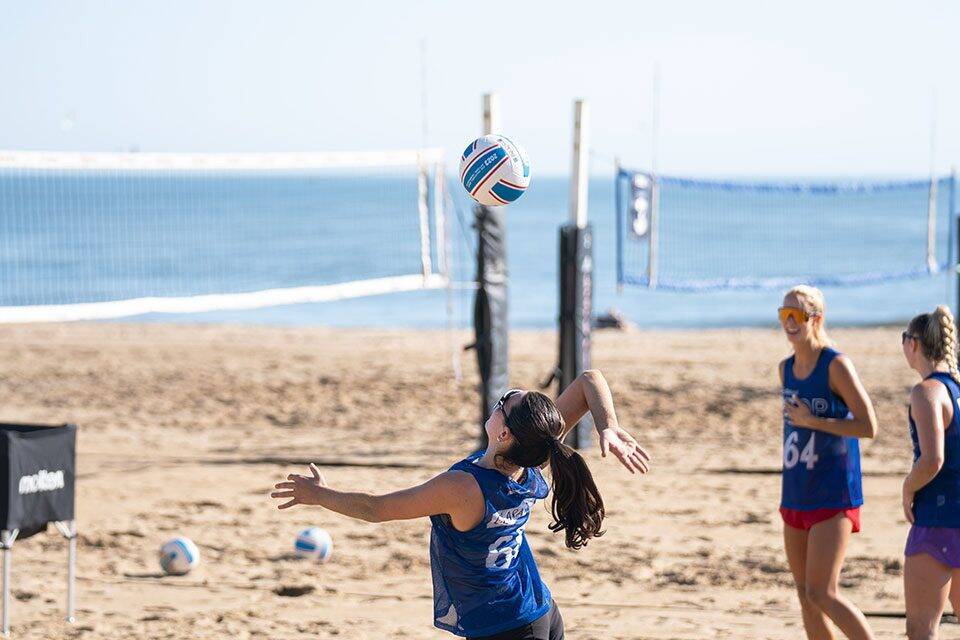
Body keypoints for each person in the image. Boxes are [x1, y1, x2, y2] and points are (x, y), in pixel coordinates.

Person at [271, 370, 649, 639]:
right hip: (539, 612)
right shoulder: (530, 454)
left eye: (503, 402)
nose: (499, 401)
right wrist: (607, 426)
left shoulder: (463, 487)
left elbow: (377, 510)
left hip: (507, 628)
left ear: (503, 433)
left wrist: (318, 496)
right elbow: (589, 381)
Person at [778, 285, 878, 640]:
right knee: (806, 598)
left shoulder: (835, 364)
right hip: (795, 490)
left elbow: (869, 426)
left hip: (834, 492)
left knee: (823, 592)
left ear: (815, 319)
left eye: (797, 315)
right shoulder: (785, 368)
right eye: (783, 315)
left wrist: (814, 422)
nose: (789, 322)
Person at [900, 305, 960, 639]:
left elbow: (932, 460)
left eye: (904, 338)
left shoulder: (926, 392)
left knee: (921, 630)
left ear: (914, 344)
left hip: (939, 517)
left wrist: (907, 489)